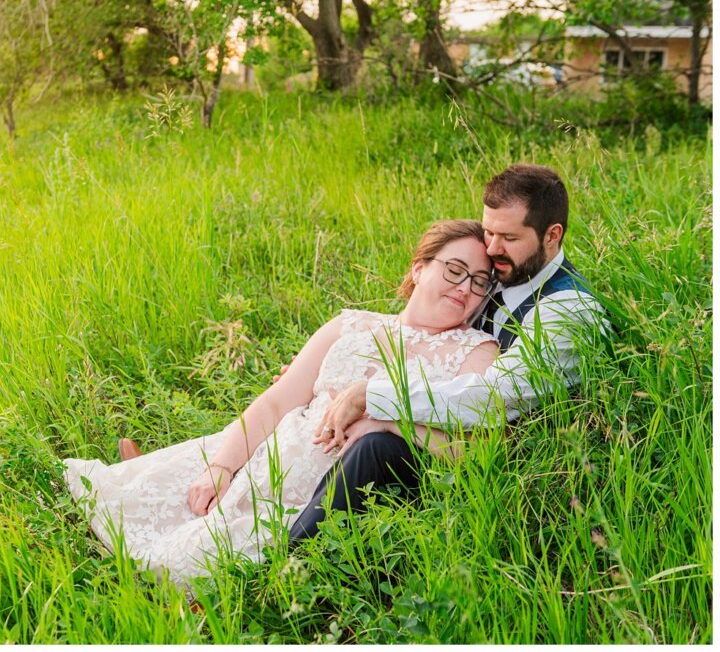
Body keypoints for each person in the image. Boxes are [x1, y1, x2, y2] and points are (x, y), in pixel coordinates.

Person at [63, 219, 499, 581]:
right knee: (151, 494)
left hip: (338, 487)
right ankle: (166, 473)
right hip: (275, 454)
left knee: (190, 558)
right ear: (420, 268)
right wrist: (222, 466)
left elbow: (474, 453)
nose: (466, 288)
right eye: (454, 270)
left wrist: (386, 421)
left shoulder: (476, 352)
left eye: (480, 281)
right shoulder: (352, 324)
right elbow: (277, 402)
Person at [288, 163, 603, 542]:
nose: (491, 249)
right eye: (488, 231)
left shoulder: (568, 312)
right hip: (437, 431)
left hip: (500, 468)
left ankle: (294, 565)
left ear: (552, 235)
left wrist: (376, 401)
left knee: (377, 447)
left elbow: (494, 398)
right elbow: (424, 325)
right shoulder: (504, 269)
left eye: (508, 237)